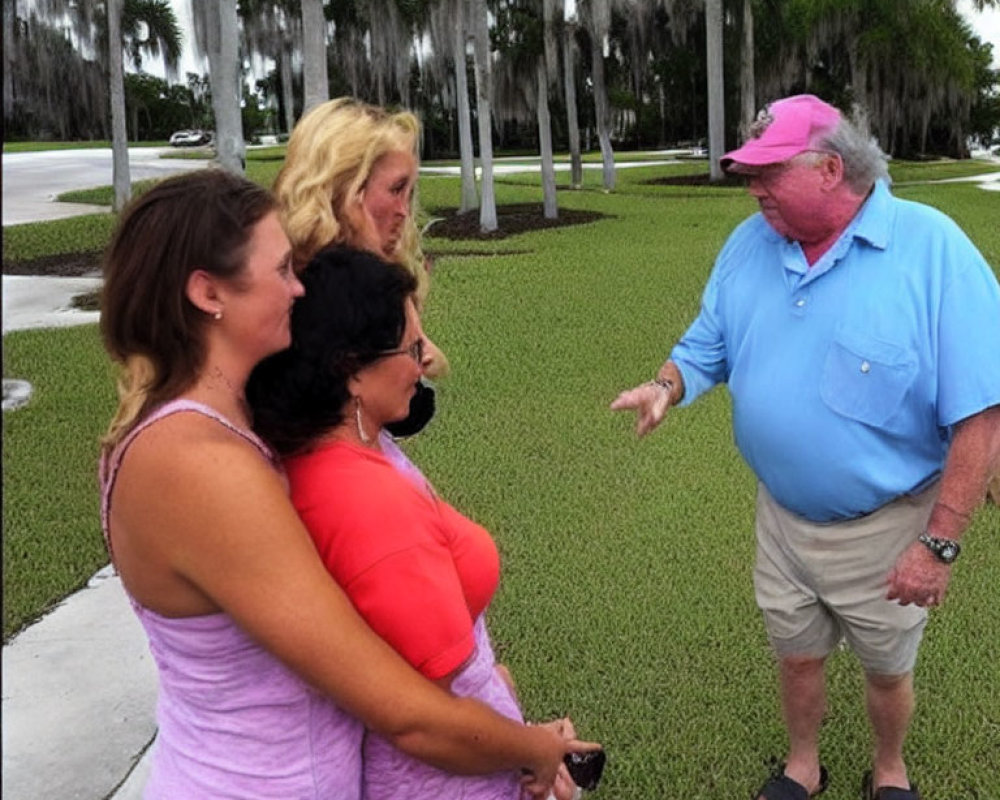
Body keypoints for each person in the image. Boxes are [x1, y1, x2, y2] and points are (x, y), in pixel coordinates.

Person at [99, 169, 593, 799]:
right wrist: (533, 750)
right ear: (208, 293)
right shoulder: (197, 463)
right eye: (281, 271)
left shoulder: (227, 422)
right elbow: (401, 710)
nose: (298, 288)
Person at [611, 94, 1000, 800]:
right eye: (748, 173)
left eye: (767, 171)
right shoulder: (751, 243)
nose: (753, 187)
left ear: (829, 169)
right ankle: (803, 765)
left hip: (885, 526)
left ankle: (888, 769)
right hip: (783, 520)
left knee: (887, 668)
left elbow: (981, 413)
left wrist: (939, 545)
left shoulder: (932, 249)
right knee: (796, 656)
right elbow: (710, 341)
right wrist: (667, 383)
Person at [246, 246, 591, 800]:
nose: (425, 359)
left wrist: (494, 686)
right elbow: (424, 721)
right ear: (353, 371)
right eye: (411, 345)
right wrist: (535, 750)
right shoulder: (366, 503)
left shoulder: (329, 457)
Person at [273, 96, 449, 380]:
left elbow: (429, 361)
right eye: (396, 190)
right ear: (344, 190)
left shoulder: (390, 278)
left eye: (410, 193)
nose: (405, 212)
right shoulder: (298, 295)